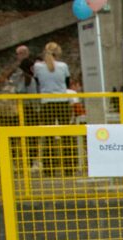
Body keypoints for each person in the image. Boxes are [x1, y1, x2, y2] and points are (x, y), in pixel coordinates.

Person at [32, 42, 76, 174]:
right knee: (66, 135)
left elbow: (38, 82)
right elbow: (67, 83)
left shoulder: (38, 67)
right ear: (58, 53)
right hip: (62, 102)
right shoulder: (63, 66)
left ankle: (49, 168)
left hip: (46, 103)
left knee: (48, 135)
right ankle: (69, 167)